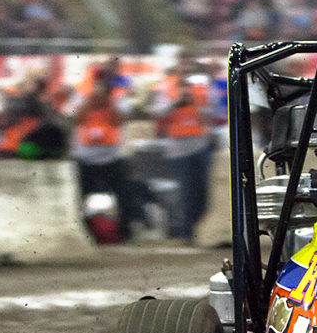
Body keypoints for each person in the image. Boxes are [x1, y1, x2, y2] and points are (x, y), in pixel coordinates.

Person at [69, 56, 145, 241]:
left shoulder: (118, 94)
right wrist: (89, 101)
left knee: (124, 195)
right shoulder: (81, 93)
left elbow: (120, 119)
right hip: (86, 156)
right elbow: (73, 117)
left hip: (112, 156)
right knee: (79, 197)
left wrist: (108, 101)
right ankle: (84, 233)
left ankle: (125, 233)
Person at [152, 56, 216, 244]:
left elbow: (212, 112)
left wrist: (195, 101)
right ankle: (186, 232)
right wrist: (177, 102)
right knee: (185, 192)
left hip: (199, 145)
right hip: (178, 148)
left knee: (202, 190)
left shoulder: (202, 88)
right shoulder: (165, 89)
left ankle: (200, 229)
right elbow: (157, 112)